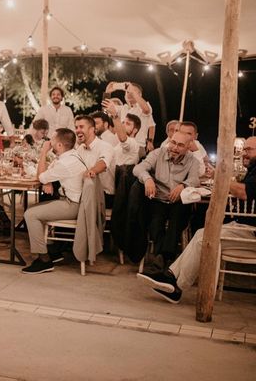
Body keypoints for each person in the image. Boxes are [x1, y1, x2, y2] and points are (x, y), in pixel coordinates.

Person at [137, 136, 256, 303]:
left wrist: (219, 177)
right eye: (244, 149)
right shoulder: (252, 169)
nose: (244, 153)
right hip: (242, 226)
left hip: (251, 233)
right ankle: (169, 277)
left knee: (203, 235)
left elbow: (244, 192)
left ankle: (174, 286)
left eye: (248, 150)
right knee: (200, 233)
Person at [22, 129, 86, 274]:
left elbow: (41, 176)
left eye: (52, 140)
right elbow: (48, 173)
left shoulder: (65, 163)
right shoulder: (72, 155)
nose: (49, 142)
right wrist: (47, 180)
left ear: (59, 146)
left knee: (30, 214)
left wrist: (44, 152)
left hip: (72, 205)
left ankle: (44, 260)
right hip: (75, 202)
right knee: (36, 208)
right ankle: (53, 252)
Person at [132, 130, 200, 265]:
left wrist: (183, 185)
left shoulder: (193, 160)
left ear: (188, 147)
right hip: (158, 200)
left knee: (176, 222)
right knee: (156, 223)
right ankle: (164, 259)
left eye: (180, 145)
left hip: (179, 202)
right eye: (173, 142)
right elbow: (138, 168)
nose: (174, 148)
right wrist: (147, 179)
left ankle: (162, 258)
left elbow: (194, 179)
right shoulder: (158, 153)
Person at [106, 82, 156, 155]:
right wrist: (107, 92)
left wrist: (150, 141)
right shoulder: (123, 108)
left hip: (137, 146)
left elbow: (148, 115)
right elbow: (106, 108)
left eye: (132, 92)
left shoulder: (143, 107)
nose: (129, 94)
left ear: (139, 95)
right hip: (120, 146)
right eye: (127, 92)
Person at [102, 99, 141, 188]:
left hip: (121, 188)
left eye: (128, 124)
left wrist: (115, 115)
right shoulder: (118, 143)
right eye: (123, 122)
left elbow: (123, 138)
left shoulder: (133, 143)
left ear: (135, 130)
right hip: (111, 184)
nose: (123, 125)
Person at [75, 115, 114, 196]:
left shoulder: (105, 146)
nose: (77, 130)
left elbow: (103, 163)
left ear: (92, 129)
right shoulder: (80, 148)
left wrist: (92, 171)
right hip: (84, 192)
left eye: (81, 127)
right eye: (76, 127)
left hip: (104, 195)